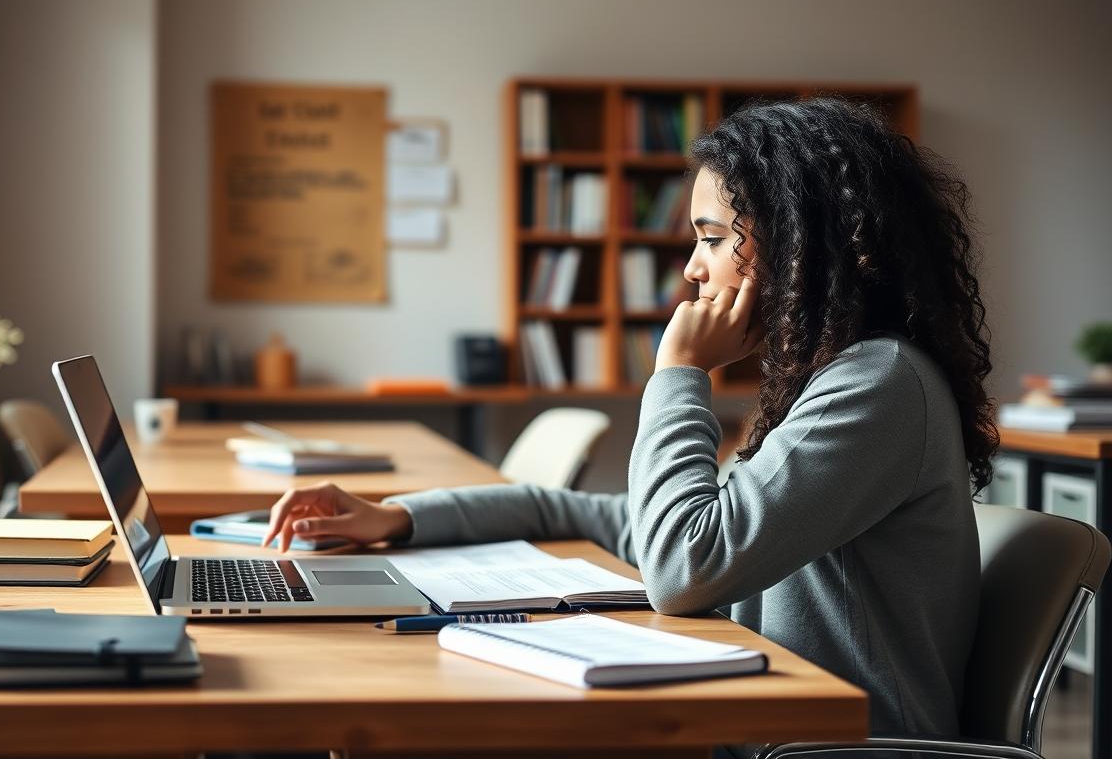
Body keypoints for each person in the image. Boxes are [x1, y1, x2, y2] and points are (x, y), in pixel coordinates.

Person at [262, 97, 997, 737]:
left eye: (712, 237)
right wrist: (402, 518)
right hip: (760, 721)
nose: (692, 268)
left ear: (806, 239)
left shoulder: (879, 385)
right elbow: (629, 524)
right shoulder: (830, 380)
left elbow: (684, 565)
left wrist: (678, 375)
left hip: (826, 740)